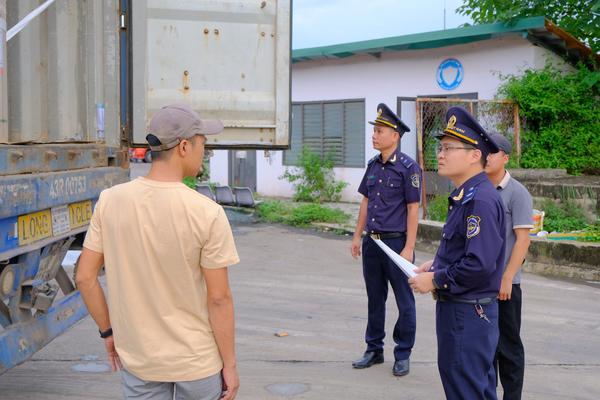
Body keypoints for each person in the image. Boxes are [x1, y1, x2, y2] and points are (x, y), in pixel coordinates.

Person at [76, 104, 240, 400]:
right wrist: (229, 364)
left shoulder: (111, 201)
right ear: (185, 146)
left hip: (140, 361)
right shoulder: (207, 213)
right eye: (204, 143)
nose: (206, 151)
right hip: (197, 363)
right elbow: (218, 298)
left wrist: (108, 332)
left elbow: (85, 277)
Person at [409, 106, 506, 399]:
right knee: (474, 388)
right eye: (440, 147)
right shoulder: (466, 196)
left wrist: (436, 280)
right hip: (464, 310)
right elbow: (464, 249)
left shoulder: (480, 201)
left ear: (475, 155)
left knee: (466, 390)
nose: (440, 153)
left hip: (467, 312)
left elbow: (478, 264)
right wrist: (436, 264)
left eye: (449, 148)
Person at [350, 103, 421, 377]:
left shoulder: (408, 168)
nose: (374, 135)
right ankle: (374, 349)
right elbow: (366, 202)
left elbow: (414, 209)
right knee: (374, 298)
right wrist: (358, 236)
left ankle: (402, 353)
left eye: (380, 131)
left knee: (405, 301)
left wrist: (410, 247)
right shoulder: (373, 166)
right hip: (372, 243)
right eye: (374, 131)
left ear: (395, 135)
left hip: (396, 244)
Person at [486, 133, 533, 400]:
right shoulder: (477, 189)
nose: (486, 156)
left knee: (508, 346)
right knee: (486, 347)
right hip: (481, 283)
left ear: (505, 157)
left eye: (493, 152)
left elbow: (523, 240)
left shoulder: (517, 193)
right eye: (484, 151)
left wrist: (507, 277)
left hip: (506, 285)